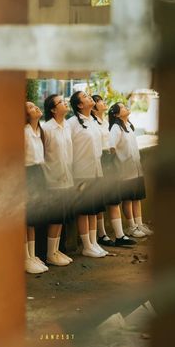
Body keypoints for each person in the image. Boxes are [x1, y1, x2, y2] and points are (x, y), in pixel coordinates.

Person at [91, 95, 140, 246]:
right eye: (99, 101)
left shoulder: (104, 122)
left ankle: (118, 235)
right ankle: (102, 235)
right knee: (102, 201)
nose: (103, 102)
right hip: (99, 163)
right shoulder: (92, 123)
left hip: (110, 164)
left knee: (113, 200)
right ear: (94, 108)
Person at [68, 91, 107, 258]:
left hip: (96, 170)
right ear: (79, 105)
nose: (89, 97)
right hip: (81, 172)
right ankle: (86, 245)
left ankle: (93, 243)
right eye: (84, 96)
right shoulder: (71, 123)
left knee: (94, 208)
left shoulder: (93, 121)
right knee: (84, 209)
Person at [108, 102, 153, 237]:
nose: (126, 107)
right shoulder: (116, 128)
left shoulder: (128, 125)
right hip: (125, 170)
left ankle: (139, 224)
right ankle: (131, 226)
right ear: (116, 114)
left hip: (136, 168)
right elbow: (111, 147)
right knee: (128, 199)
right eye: (122, 107)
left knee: (136, 198)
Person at [42, 94, 74, 266]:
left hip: (67, 177)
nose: (65, 103)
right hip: (53, 180)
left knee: (61, 216)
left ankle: (56, 250)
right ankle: (50, 253)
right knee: (55, 216)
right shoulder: (46, 129)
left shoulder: (67, 126)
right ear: (53, 109)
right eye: (60, 102)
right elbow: (42, 155)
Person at [25, 101, 49, 274]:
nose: (36, 108)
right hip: (26, 175)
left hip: (38, 174)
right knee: (24, 219)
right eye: (31, 107)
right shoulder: (23, 132)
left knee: (32, 219)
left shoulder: (39, 131)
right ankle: (25, 257)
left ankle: (32, 255)